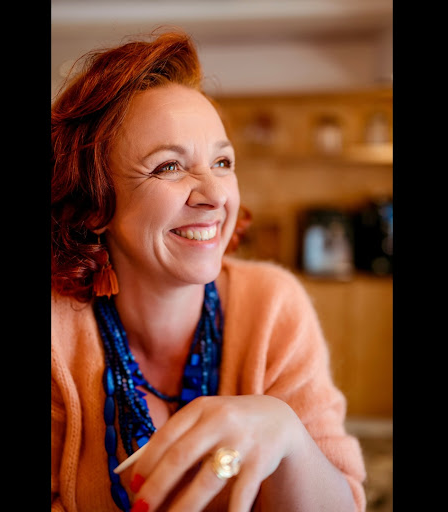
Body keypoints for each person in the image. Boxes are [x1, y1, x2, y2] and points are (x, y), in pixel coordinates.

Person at [51, 30, 366, 512]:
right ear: (94, 206)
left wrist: (287, 434)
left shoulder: (272, 304)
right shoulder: (58, 332)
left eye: (222, 162)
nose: (216, 195)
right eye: (169, 167)